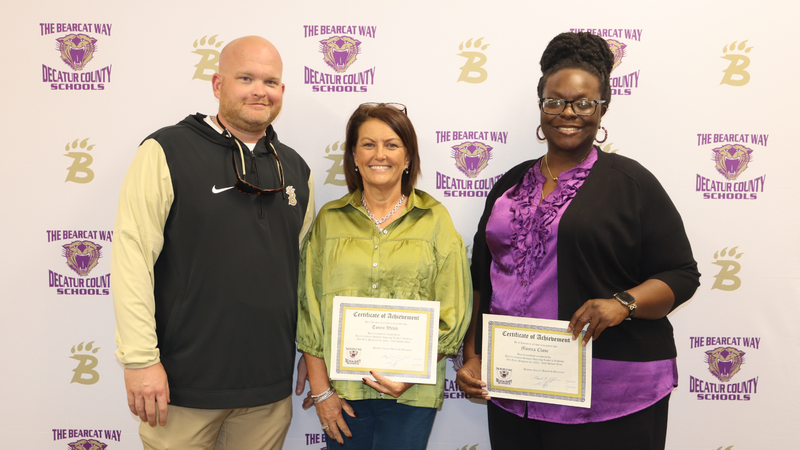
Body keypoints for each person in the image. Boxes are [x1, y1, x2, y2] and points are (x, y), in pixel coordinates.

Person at [456, 32, 700, 450]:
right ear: (541, 107)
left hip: (612, 393)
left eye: (584, 102)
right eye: (555, 101)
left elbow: (681, 275)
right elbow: (483, 281)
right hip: (518, 389)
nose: (568, 113)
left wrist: (623, 304)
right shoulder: (509, 186)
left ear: (602, 109)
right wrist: (473, 355)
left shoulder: (630, 183)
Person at [111, 36, 315, 450]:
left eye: (271, 81)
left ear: (282, 92)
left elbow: (307, 275)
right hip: (182, 389)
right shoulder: (166, 150)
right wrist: (140, 361)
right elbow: (132, 256)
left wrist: (313, 355)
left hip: (267, 391)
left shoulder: (295, 168)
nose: (260, 90)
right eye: (246, 78)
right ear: (217, 84)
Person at [296, 103, 472, 449]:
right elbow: (309, 310)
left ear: (408, 158)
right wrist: (321, 391)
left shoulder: (436, 221)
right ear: (354, 157)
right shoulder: (329, 220)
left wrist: (409, 374)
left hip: (411, 394)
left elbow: (454, 311)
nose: (380, 155)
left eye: (392, 145)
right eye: (368, 144)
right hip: (342, 392)